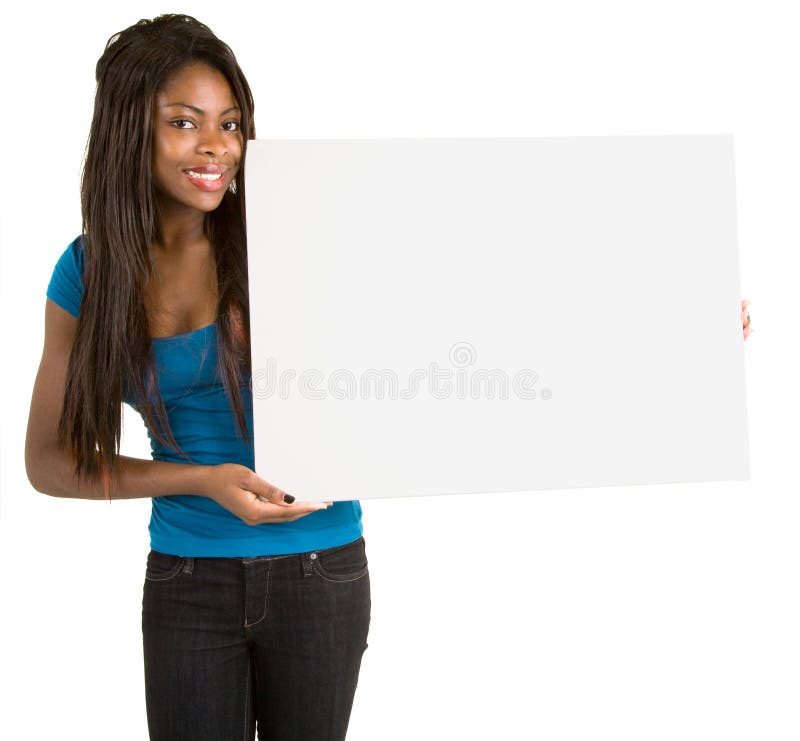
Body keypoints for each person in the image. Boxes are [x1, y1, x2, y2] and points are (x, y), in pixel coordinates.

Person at [24, 14, 370, 741]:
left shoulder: (289, 233)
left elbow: (392, 375)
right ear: (131, 130)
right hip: (188, 576)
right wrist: (201, 478)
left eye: (231, 123)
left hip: (321, 569)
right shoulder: (88, 273)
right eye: (186, 122)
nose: (217, 146)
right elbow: (51, 461)